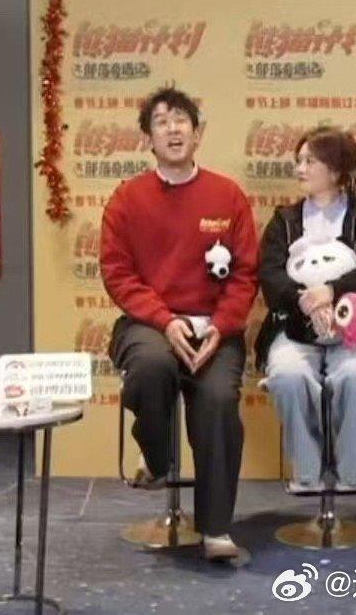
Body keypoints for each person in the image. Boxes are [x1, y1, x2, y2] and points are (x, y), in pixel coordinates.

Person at [100, 86, 258, 561]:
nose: (173, 129)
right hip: (149, 323)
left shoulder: (227, 195)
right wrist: (165, 321)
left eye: (181, 120)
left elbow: (245, 274)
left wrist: (221, 326)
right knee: (151, 366)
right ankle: (156, 459)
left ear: (197, 132)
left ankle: (216, 529)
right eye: (162, 122)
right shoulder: (127, 199)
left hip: (216, 329)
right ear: (148, 138)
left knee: (218, 400)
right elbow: (118, 274)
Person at [255, 126, 356, 493]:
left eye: (309, 161)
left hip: (354, 330)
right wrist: (305, 300)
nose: (299, 168)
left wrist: (331, 293)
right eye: (298, 160)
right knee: (288, 376)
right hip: (293, 328)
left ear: (335, 170)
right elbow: (270, 275)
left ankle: (351, 472)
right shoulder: (284, 221)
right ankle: (306, 471)